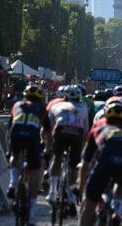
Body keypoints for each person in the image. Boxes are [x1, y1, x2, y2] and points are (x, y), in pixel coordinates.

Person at [78, 101, 122, 226]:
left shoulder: (99, 127)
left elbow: (85, 160)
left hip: (103, 165)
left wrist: (82, 188)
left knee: (89, 205)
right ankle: (118, 212)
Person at [6, 84, 52, 226]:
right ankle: (31, 215)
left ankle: (12, 183)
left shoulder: (16, 105)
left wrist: (9, 150)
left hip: (17, 133)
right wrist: (47, 150)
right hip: (32, 137)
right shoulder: (42, 109)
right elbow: (47, 133)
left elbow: (8, 132)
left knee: (15, 155)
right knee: (34, 172)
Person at [45, 85, 89, 215]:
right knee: (73, 166)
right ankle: (71, 196)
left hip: (61, 130)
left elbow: (51, 126)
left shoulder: (56, 106)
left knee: (57, 158)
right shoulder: (83, 107)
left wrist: (51, 143)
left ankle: (52, 191)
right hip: (77, 133)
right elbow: (86, 130)